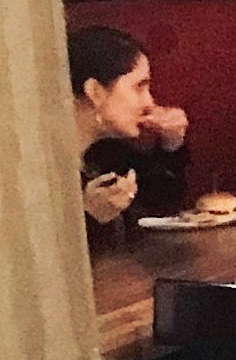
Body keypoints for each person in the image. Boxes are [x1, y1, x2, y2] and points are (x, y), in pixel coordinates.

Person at [69, 23, 193, 232]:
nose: (149, 102)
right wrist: (90, 216)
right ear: (95, 91)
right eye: (139, 87)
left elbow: (162, 204)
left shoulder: (107, 155)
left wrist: (172, 143)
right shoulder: (45, 168)